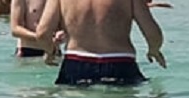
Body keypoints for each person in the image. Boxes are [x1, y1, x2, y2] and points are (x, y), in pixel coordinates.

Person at [35, 0, 166, 86]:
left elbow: (42, 33)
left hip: (76, 64)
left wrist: (50, 51)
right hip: (120, 64)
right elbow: (152, 32)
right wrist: (154, 50)